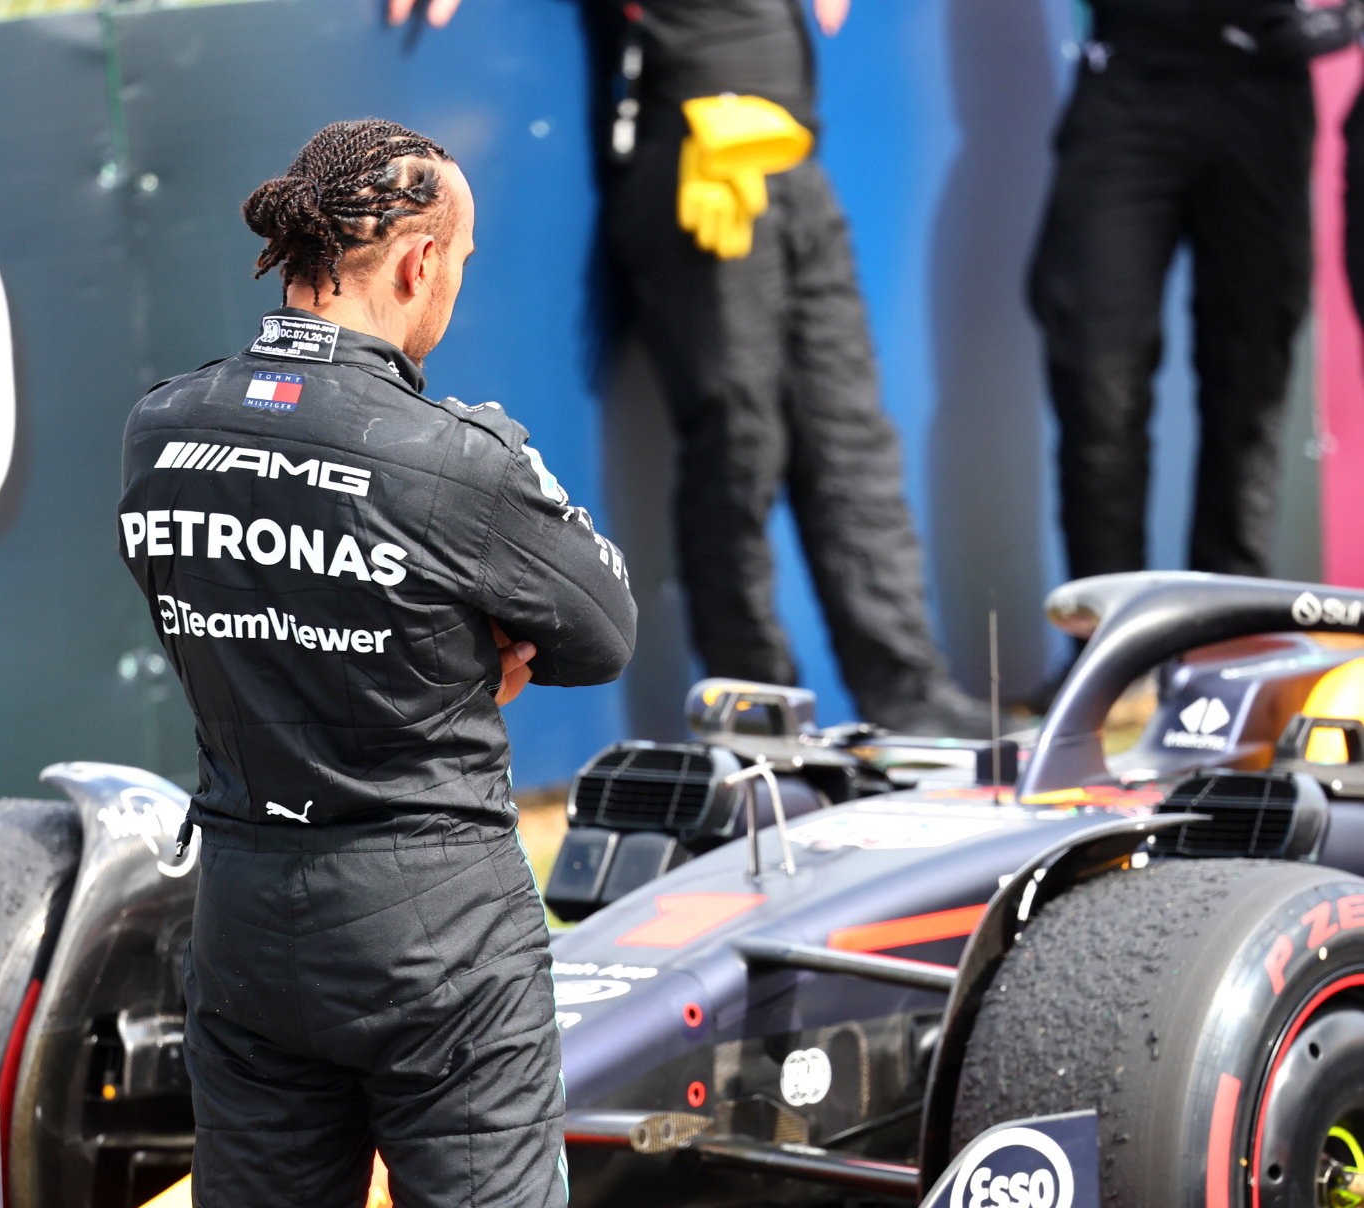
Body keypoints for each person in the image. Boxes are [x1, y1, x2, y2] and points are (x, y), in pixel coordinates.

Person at [118, 118, 636, 1208]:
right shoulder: (457, 463)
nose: (456, 284)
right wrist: (460, 644)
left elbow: (244, 625)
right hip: (437, 937)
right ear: (415, 260)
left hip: (246, 923)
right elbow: (601, 627)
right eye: (459, 257)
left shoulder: (159, 429)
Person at [390, 0, 993, 738]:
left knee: (851, 438)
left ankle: (910, 698)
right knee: (738, 447)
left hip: (791, 164)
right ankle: (758, 715)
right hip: (697, 170)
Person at [1031, 0, 1364, 585]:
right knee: (1096, 375)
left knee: (1250, 381)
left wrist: (1353, 18)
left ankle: (1229, 645)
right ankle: (1106, 649)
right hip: (1129, 77)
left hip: (1262, 84)